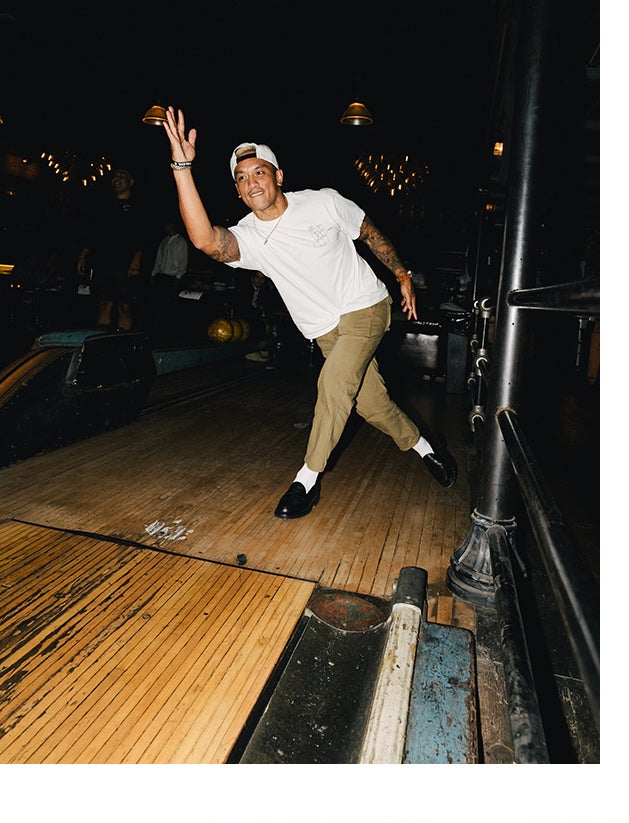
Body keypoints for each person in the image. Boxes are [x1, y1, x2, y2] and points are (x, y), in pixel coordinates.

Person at [156, 107, 454, 519]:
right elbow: (205, 241)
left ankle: (306, 481)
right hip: (324, 330)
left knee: (333, 386)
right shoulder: (249, 236)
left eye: (259, 172)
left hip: (365, 306)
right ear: (238, 192)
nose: (250, 182)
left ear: (279, 176)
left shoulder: (323, 203)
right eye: (241, 178)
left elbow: (368, 231)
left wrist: (401, 272)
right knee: (372, 405)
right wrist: (182, 167)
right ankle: (425, 447)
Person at [78, 166, 149, 330]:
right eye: (115, 176)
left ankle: (123, 343)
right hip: (103, 263)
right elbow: (93, 233)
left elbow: (143, 235)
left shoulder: (138, 207)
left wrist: (137, 259)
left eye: (122, 176)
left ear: (131, 182)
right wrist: (82, 256)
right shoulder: (103, 205)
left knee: (125, 307)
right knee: (103, 304)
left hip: (126, 266)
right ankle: (101, 343)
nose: (116, 179)